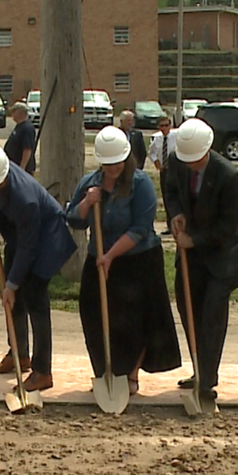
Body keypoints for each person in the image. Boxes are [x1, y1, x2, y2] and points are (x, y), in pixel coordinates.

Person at [66, 126, 180, 395]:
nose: (113, 168)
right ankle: (105, 372)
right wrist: (86, 203)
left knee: (135, 320)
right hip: (100, 259)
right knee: (94, 314)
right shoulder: (90, 183)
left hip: (137, 259)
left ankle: (131, 374)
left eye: (117, 162)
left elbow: (140, 229)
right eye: (107, 163)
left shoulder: (140, 184)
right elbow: (73, 219)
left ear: (126, 157)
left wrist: (110, 255)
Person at [0, 143, 77, 392]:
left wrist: (11, 285)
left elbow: (29, 248)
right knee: (14, 301)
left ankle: (43, 371)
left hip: (45, 238)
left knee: (33, 298)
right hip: (18, 236)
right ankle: (19, 354)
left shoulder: (24, 199)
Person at [161, 118, 238, 400]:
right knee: (189, 310)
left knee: (212, 313)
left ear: (208, 150)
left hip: (223, 255)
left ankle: (207, 380)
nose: (192, 166)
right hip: (191, 254)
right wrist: (175, 213)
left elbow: (227, 226)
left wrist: (195, 239)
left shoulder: (228, 176)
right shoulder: (177, 162)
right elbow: (171, 191)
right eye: (188, 161)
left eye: (196, 161)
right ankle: (200, 367)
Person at [148, 115, 178, 234]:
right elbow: (151, 152)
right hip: (164, 171)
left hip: (175, 170)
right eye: (162, 126)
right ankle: (170, 225)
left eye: (166, 125)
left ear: (170, 126)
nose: (164, 128)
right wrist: (156, 162)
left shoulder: (176, 136)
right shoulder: (157, 138)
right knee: (167, 198)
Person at [3, 102, 37, 176]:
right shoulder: (20, 126)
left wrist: (22, 168)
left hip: (22, 169)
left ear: (19, 112)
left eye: (13, 111)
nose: (12, 114)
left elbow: (27, 149)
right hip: (14, 167)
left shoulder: (27, 128)